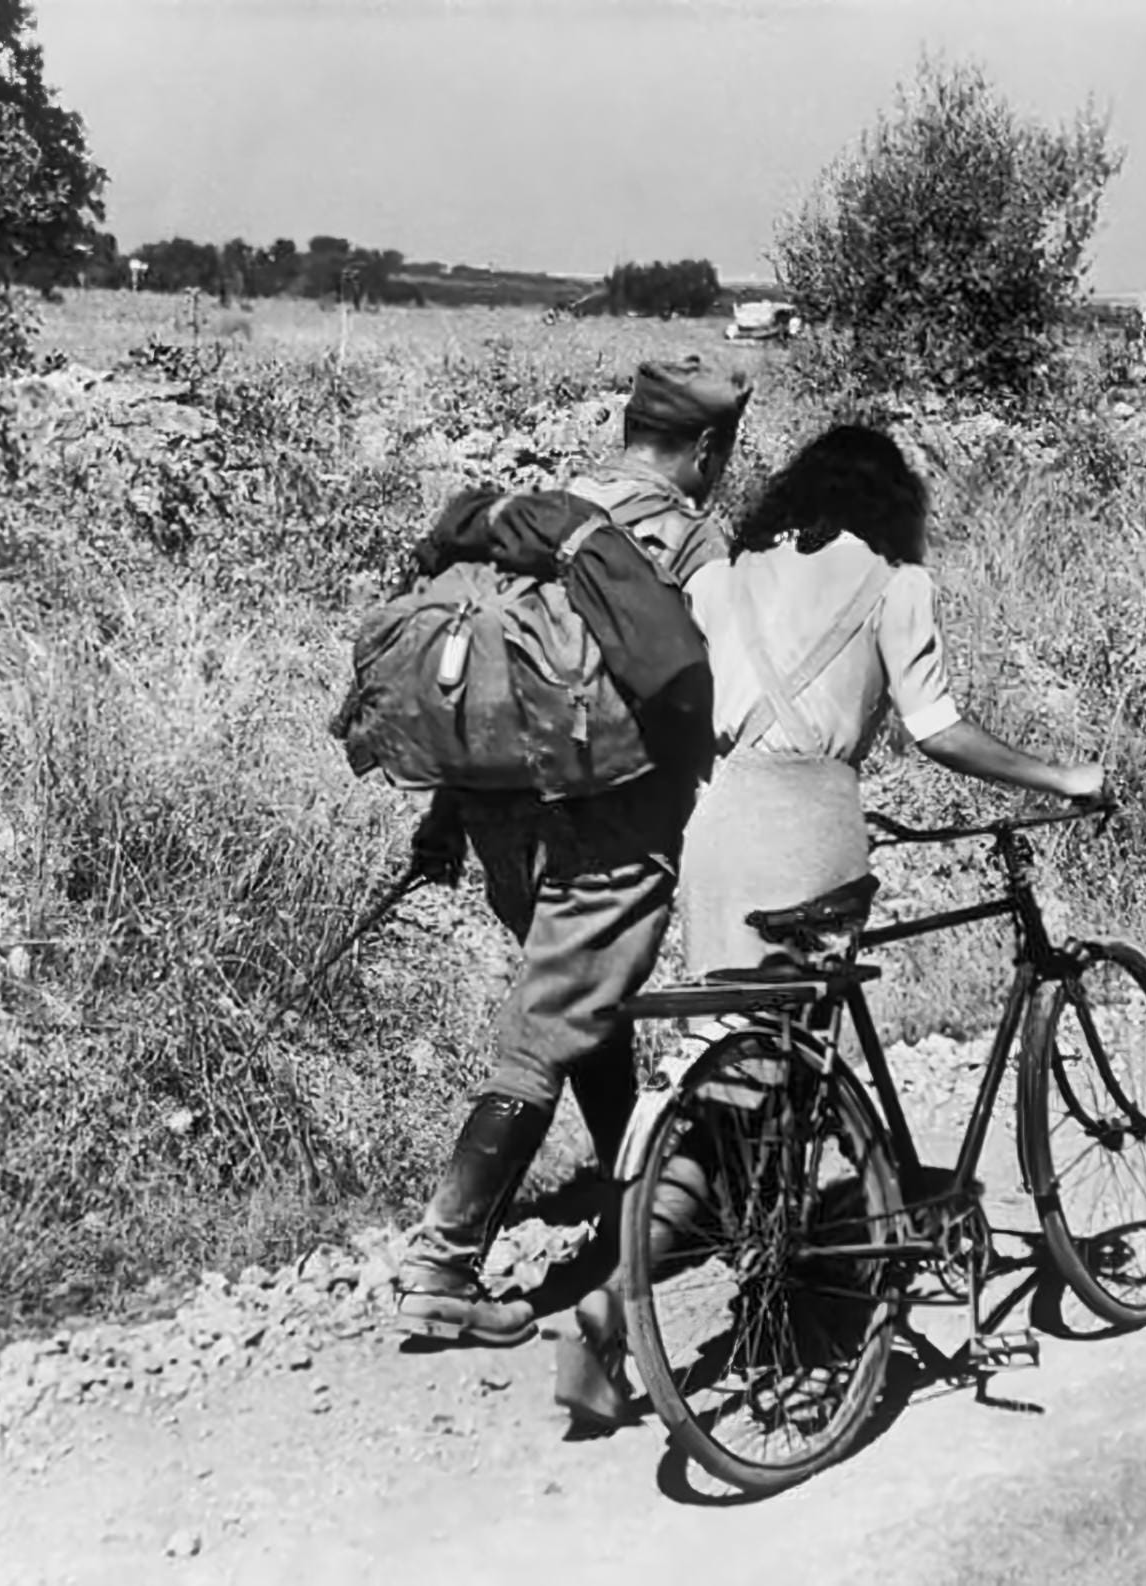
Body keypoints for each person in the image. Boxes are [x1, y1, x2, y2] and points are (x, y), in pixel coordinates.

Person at [551, 422, 1103, 1424]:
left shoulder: (726, 573)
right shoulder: (896, 583)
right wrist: (1057, 772)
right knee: (794, 1085)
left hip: (717, 832)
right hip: (812, 827)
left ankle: (617, 1301)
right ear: (892, 503)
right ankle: (803, 1315)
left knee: (728, 1075)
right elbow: (939, 728)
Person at [392, 356, 754, 1349]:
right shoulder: (686, 537)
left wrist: (447, 815)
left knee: (583, 996)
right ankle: (444, 1260)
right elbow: (727, 682)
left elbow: (490, 680)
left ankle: (627, 1179)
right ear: (708, 450)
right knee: (550, 1023)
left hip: (504, 817)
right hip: (612, 823)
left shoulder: (544, 512)